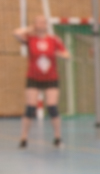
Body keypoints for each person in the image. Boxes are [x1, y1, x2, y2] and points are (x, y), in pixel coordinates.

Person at [15, 16, 68, 148]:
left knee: (52, 107)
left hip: (51, 78)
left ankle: (57, 137)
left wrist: (61, 55)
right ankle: (24, 137)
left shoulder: (54, 40)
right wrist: (30, 29)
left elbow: (66, 54)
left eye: (43, 22)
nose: (41, 24)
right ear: (35, 24)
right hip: (33, 77)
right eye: (38, 22)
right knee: (30, 108)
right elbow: (16, 33)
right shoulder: (30, 39)